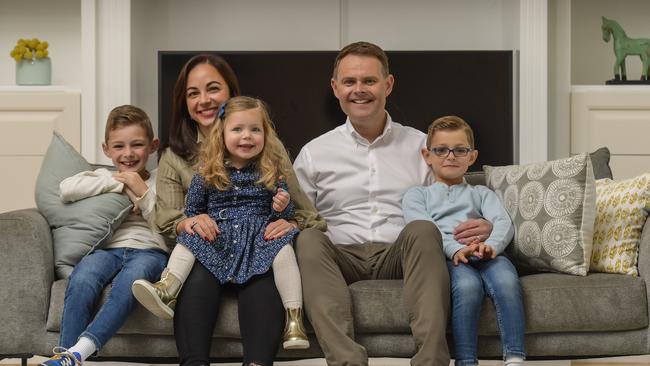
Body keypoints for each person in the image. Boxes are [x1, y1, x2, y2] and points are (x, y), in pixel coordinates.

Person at [293, 41, 493, 366]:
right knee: (308, 238)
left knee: (423, 229)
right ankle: (347, 362)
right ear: (335, 88)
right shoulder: (315, 153)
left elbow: (449, 203)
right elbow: (299, 217)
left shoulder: (422, 147)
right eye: (349, 82)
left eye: (369, 81)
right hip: (339, 256)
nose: (359, 90)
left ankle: (431, 360)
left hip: (399, 254)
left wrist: (482, 222)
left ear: (388, 85)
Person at [153, 54, 325, 366]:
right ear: (184, 103)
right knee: (194, 283)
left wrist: (290, 223)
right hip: (209, 248)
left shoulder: (269, 153)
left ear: (232, 96)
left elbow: (309, 216)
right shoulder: (174, 157)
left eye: (213, 88)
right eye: (193, 93)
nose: (204, 100)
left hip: (257, 248)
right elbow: (166, 217)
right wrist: (189, 222)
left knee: (264, 286)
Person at [133, 96, 310, 350]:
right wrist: (196, 220)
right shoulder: (208, 171)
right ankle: (168, 288)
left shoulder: (272, 170)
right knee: (189, 237)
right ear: (222, 134)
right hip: (220, 236)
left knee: (284, 249)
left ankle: (294, 320)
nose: (246, 136)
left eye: (254, 129)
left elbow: (284, 214)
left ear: (266, 135)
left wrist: (282, 207)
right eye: (237, 129)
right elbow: (193, 210)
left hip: (258, 237)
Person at [39, 105, 169, 366]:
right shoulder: (104, 177)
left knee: (129, 284)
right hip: (108, 250)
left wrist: (142, 192)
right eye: (119, 146)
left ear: (153, 146)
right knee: (83, 278)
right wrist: (122, 181)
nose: (128, 153)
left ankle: (79, 352)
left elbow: (169, 220)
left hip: (150, 252)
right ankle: (65, 356)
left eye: (137, 145)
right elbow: (67, 188)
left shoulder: (163, 180)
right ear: (106, 149)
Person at [402, 115, 525, 366]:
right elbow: (425, 229)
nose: (450, 156)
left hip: (487, 253)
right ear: (428, 156)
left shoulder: (481, 193)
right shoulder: (417, 195)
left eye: (460, 150)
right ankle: (466, 361)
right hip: (452, 258)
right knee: (468, 288)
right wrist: (456, 249)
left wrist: (491, 245)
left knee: (507, 281)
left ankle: (514, 355)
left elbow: (502, 222)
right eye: (441, 150)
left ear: (472, 157)